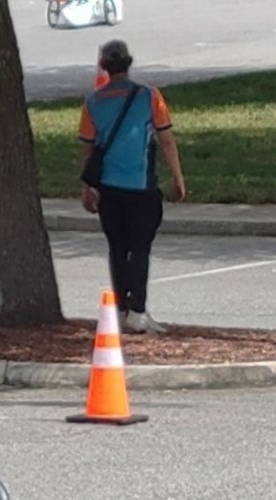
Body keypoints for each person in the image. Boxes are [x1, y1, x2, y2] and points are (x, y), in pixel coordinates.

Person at [77, 39, 187, 336]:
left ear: (104, 67)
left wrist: (89, 188)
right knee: (140, 249)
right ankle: (138, 311)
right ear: (129, 63)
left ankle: (121, 309)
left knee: (116, 249)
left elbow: (88, 149)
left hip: (108, 188)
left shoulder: (93, 102)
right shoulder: (150, 97)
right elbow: (165, 139)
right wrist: (177, 177)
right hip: (141, 187)